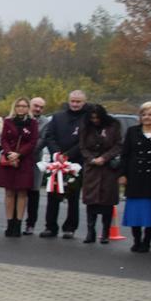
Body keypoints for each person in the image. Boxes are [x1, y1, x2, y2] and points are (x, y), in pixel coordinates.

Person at [38, 91, 89, 238]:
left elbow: (84, 141)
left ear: (84, 102)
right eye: (73, 101)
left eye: (78, 101)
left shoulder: (86, 119)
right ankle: (50, 227)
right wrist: (57, 154)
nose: (75, 104)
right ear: (69, 101)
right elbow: (49, 136)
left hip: (75, 164)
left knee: (73, 197)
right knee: (53, 196)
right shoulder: (58, 117)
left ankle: (70, 228)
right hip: (57, 163)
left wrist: (68, 155)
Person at [119, 101, 151, 252]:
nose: (146, 117)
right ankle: (136, 240)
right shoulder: (132, 131)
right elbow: (125, 155)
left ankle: (146, 241)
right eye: (143, 114)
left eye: (150, 114)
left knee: (150, 212)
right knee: (135, 212)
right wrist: (122, 174)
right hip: (135, 177)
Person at [78, 104, 123, 244]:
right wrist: (91, 159)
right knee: (91, 200)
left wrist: (105, 157)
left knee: (107, 202)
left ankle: (105, 232)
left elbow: (118, 144)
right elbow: (82, 146)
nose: (95, 120)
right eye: (92, 118)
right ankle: (91, 232)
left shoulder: (114, 125)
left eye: (97, 118)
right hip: (92, 167)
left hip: (108, 167)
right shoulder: (85, 126)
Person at [0, 98, 38, 238]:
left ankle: (18, 223)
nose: (21, 108)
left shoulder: (32, 123)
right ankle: (10, 223)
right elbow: (4, 139)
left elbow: (32, 142)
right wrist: (9, 154)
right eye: (18, 106)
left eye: (24, 106)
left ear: (28, 108)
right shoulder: (8, 121)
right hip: (9, 160)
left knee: (22, 193)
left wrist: (19, 154)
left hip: (24, 161)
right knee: (9, 192)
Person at [24, 96, 47, 231]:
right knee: (18, 193)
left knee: (33, 193)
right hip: (18, 160)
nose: (38, 109)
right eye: (36, 106)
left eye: (41, 107)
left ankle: (30, 224)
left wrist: (25, 151)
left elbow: (42, 140)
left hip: (34, 160)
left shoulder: (45, 122)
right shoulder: (21, 117)